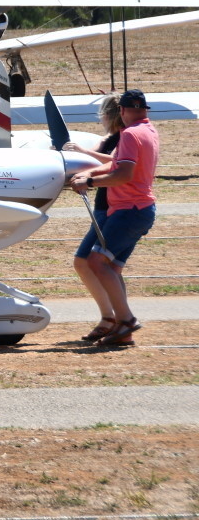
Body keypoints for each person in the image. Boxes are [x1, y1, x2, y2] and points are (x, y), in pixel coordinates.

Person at [69, 89, 159, 346]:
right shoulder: (149, 130)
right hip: (138, 210)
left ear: (122, 111)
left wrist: (90, 180)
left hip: (128, 210)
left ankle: (127, 320)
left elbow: (124, 175)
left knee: (97, 263)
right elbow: (117, 165)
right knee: (111, 267)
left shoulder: (130, 134)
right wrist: (89, 175)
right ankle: (122, 330)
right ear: (144, 110)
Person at [64, 96, 124, 341]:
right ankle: (112, 317)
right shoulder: (108, 139)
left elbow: (118, 163)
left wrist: (81, 150)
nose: (102, 118)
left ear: (110, 115)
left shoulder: (126, 138)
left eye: (104, 114)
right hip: (102, 206)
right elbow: (94, 160)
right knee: (88, 262)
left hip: (114, 206)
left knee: (100, 264)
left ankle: (117, 319)